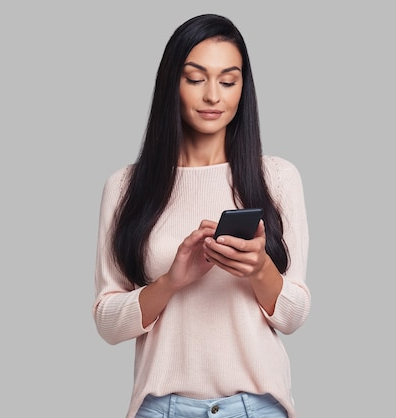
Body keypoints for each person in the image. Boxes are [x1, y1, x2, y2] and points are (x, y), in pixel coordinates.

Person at [92, 13, 311, 418]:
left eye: (229, 81)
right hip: (162, 408)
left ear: (243, 88)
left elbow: (294, 315)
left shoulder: (277, 178)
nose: (214, 95)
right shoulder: (125, 186)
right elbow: (107, 321)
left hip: (256, 407)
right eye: (196, 79)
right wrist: (171, 282)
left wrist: (259, 268)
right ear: (171, 85)